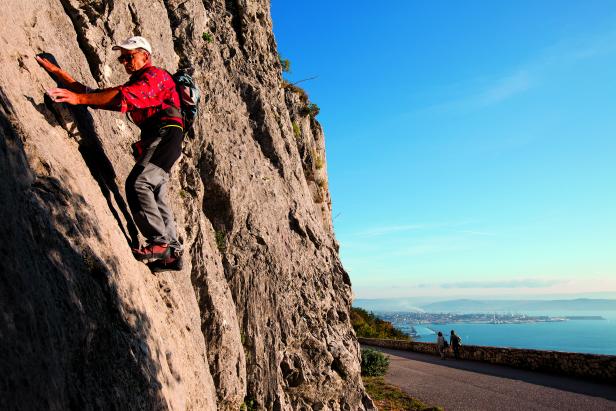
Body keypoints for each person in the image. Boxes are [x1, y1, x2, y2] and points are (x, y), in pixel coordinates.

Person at [36, 36, 184, 271]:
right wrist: (59, 74)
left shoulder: (155, 76)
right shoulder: (139, 80)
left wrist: (80, 99)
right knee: (156, 191)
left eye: (130, 56)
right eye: (122, 58)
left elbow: (122, 98)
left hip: (165, 134)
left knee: (139, 184)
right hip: (166, 137)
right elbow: (97, 94)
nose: (125, 62)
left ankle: (160, 242)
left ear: (146, 56)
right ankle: (172, 254)